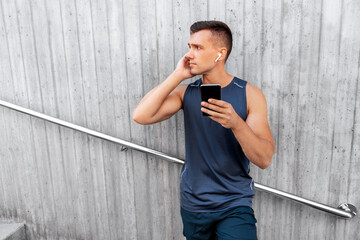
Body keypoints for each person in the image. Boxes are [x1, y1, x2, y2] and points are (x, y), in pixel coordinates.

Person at [133, 20, 275, 240]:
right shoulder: (185, 93)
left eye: (198, 48)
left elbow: (264, 158)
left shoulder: (250, 94)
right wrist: (178, 75)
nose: (190, 54)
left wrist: (236, 124)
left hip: (234, 203)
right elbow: (140, 116)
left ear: (220, 54)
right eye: (190, 46)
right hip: (194, 203)